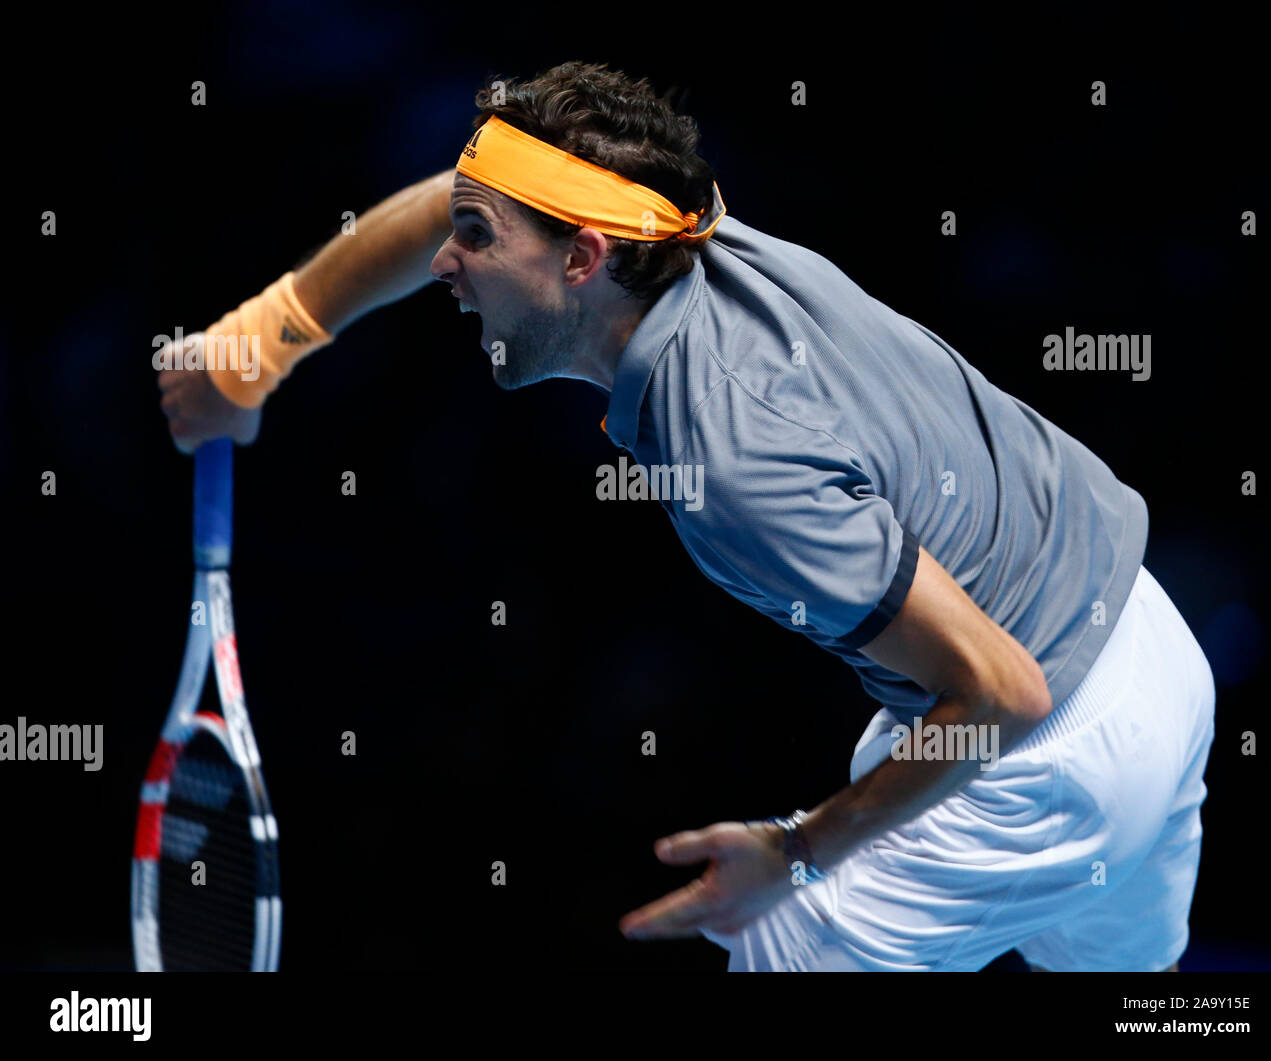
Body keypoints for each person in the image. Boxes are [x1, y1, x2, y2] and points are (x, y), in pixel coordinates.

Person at [157, 61, 1215, 972]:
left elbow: (1001, 693)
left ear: (581, 260)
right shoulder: (676, 214)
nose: (444, 260)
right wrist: (260, 342)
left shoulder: (734, 460)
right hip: (1154, 642)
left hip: (1044, 744)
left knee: (782, 924)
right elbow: (452, 195)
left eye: (475, 239)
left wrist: (798, 850)